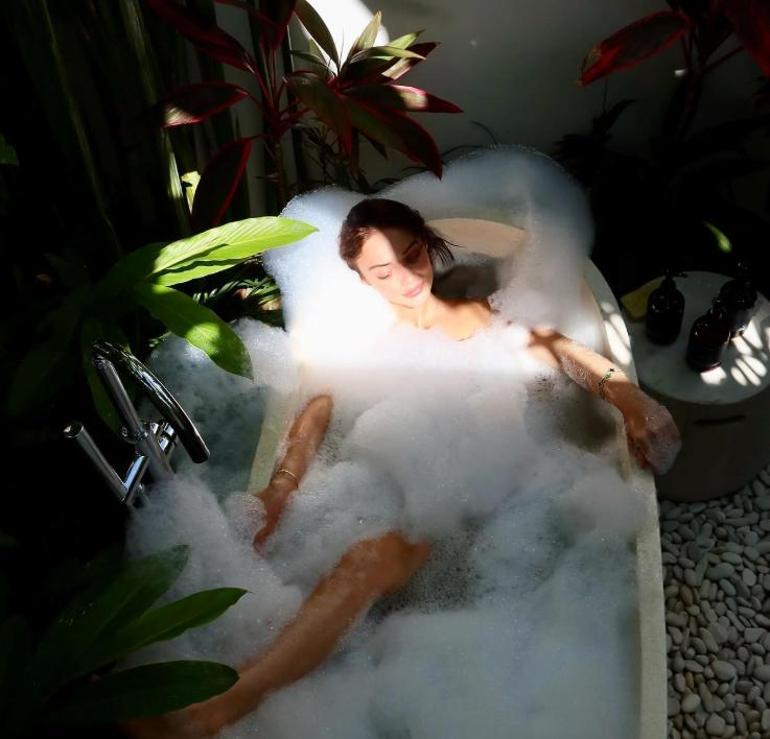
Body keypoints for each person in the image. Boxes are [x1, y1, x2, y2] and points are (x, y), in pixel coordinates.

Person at [124, 198, 681, 738]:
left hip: (485, 501)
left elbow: (563, 350)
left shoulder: (487, 318)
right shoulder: (366, 347)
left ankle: (216, 710)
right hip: (391, 491)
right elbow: (317, 409)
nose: (406, 278)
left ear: (429, 245)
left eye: (412, 255)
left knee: (368, 560)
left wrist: (629, 398)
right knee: (304, 567)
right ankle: (218, 680)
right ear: (362, 279)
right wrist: (281, 488)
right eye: (383, 272)